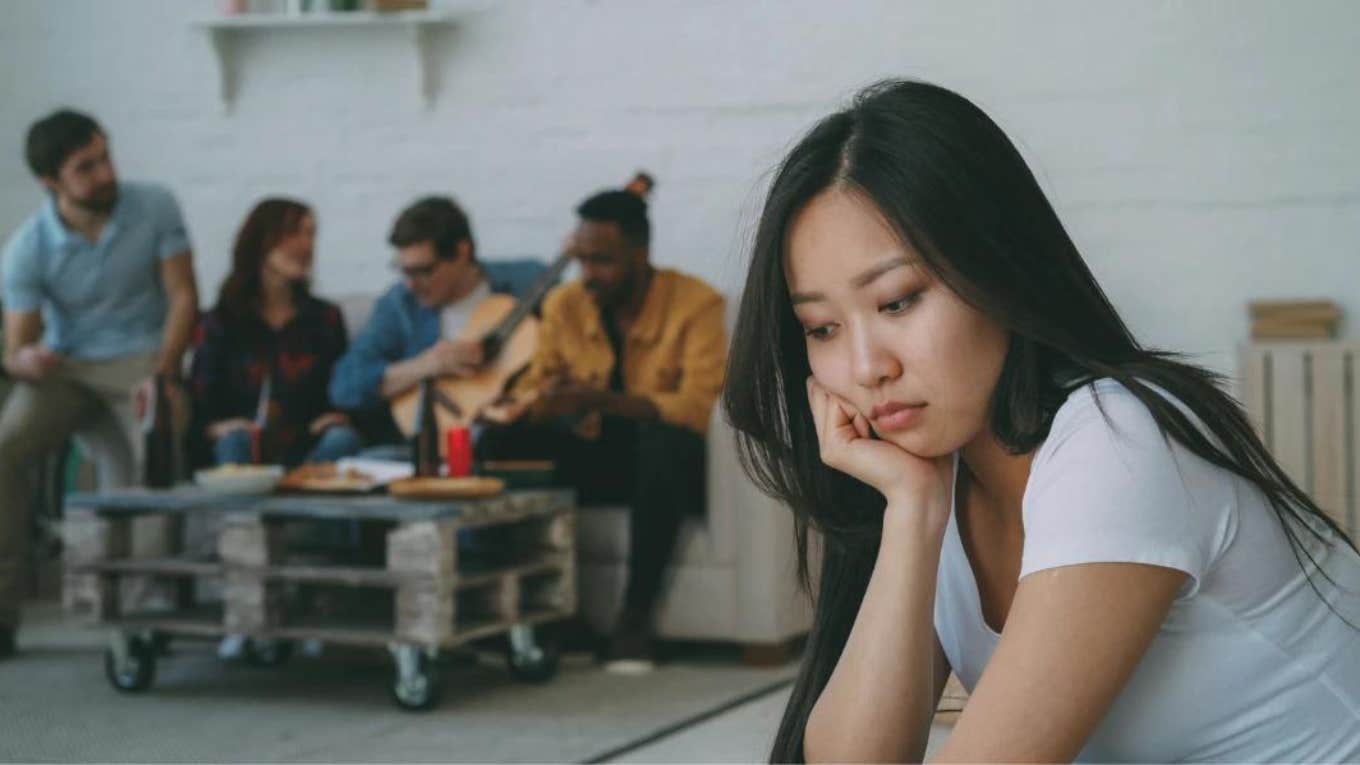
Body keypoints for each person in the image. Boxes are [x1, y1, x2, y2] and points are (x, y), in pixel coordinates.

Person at [723, 79, 1360, 762]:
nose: (866, 365)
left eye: (899, 301)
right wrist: (911, 511)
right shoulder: (944, 476)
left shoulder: (1117, 442)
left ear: (996, 265)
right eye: (820, 327)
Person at [478, 183, 727, 674]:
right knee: (506, 440)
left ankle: (634, 622)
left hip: (669, 466)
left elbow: (699, 405)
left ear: (641, 252)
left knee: (664, 444)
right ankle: (545, 616)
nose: (589, 274)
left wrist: (599, 400)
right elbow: (537, 378)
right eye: (583, 260)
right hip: (598, 452)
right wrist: (539, 402)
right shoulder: (566, 304)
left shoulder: (697, 304)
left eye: (604, 261)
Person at [0, 109, 200, 660]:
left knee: (155, 447)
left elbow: (183, 295)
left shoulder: (154, 205)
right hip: (69, 368)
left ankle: (142, 609)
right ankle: (2, 612)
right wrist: (26, 361)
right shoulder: (26, 249)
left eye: (105, 157)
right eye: (85, 168)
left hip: (144, 359)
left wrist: (164, 374)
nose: (104, 173)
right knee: (4, 450)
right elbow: (17, 347)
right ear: (51, 183)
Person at [328, 196, 544, 447]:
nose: (411, 283)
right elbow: (345, 385)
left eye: (423, 271)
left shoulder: (526, 284)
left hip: (510, 437)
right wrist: (427, 365)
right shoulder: (400, 303)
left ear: (462, 252)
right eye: (403, 270)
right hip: (423, 445)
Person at [189, 198, 359, 470]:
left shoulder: (325, 318)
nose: (305, 245)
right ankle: (243, 513)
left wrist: (335, 417)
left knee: (342, 440)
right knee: (235, 441)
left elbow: (342, 391)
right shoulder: (221, 321)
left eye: (311, 234)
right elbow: (199, 405)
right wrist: (219, 428)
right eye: (293, 233)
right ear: (260, 241)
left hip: (306, 447)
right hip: (240, 443)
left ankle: (304, 501)